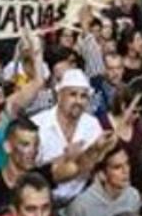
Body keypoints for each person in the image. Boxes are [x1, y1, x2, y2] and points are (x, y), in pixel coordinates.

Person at [32, 68, 107, 205]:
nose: (78, 101)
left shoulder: (92, 124)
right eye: (73, 94)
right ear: (59, 95)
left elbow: (97, 163)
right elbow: (31, 170)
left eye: (83, 96)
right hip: (44, 199)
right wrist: (67, 158)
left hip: (82, 198)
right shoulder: (38, 124)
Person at [64, 145, 141, 216]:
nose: (126, 171)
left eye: (127, 164)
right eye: (117, 167)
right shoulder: (80, 206)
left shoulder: (133, 196)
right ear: (102, 175)